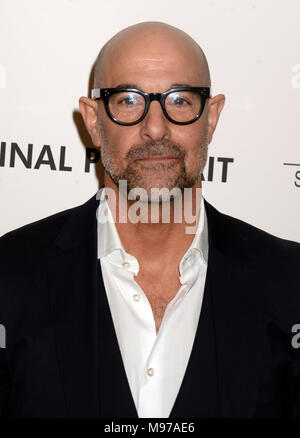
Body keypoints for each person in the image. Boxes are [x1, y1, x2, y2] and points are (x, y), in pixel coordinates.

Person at [0, 21, 300, 419]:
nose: (155, 127)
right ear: (92, 119)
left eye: (179, 100)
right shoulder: (8, 276)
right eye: (127, 100)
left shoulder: (290, 282)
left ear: (211, 117)